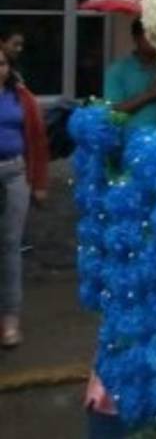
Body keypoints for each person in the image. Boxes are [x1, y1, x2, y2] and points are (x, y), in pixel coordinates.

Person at [0, 47, 49, 348]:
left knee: (9, 248)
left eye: (2, 63)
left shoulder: (22, 97)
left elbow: (38, 141)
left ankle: (10, 321)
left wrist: (40, 182)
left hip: (15, 173)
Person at [103, 20, 156, 129]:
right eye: (150, 35)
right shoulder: (118, 70)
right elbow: (112, 111)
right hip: (128, 142)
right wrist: (149, 95)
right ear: (136, 38)